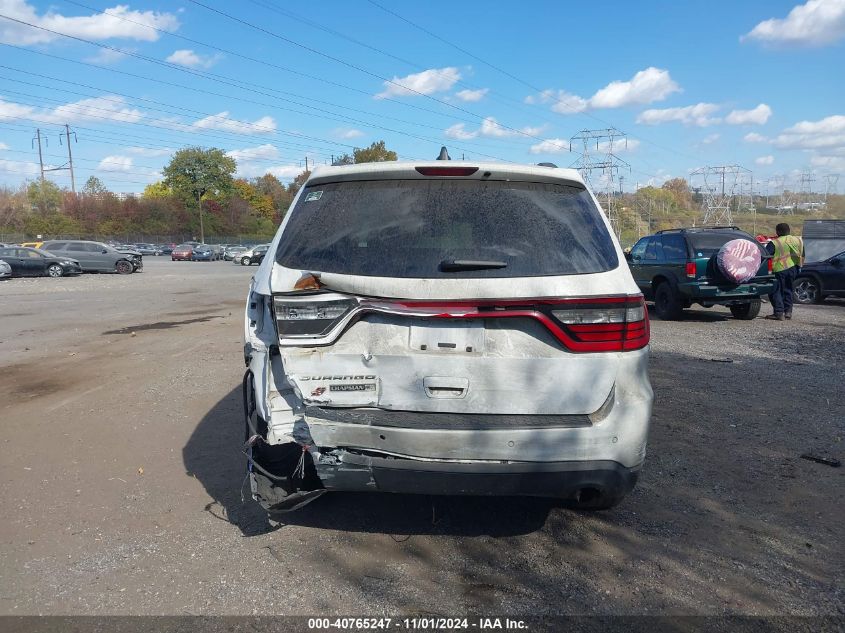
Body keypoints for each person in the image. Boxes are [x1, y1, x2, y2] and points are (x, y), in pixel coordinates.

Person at [765, 223, 804, 321]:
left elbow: (765, 255)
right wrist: (799, 267)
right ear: (789, 230)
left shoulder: (774, 243)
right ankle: (788, 312)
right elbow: (803, 254)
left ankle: (778, 313)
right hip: (793, 268)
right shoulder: (798, 240)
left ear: (777, 232)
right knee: (788, 290)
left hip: (779, 269)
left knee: (776, 291)